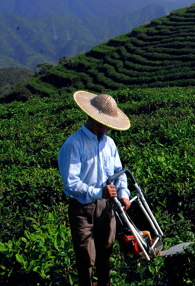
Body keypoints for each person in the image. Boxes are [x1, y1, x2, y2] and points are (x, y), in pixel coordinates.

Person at [58, 91, 132, 286]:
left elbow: (118, 172)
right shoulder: (74, 144)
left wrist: (123, 194)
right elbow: (71, 183)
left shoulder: (109, 144)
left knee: (106, 251)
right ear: (94, 118)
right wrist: (99, 193)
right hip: (82, 208)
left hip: (107, 206)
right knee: (85, 256)